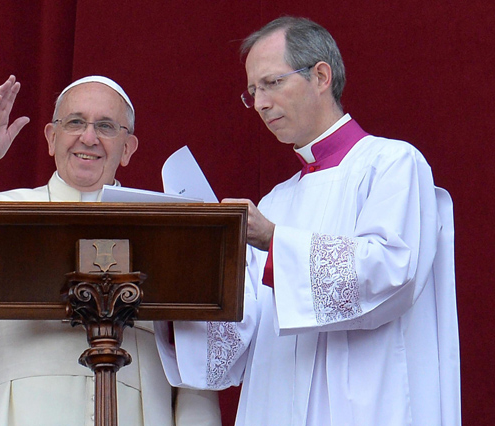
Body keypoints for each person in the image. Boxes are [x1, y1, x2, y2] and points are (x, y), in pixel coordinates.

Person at [154, 16, 460, 425]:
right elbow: (237, 342)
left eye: (272, 83)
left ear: (320, 76)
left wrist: (274, 242)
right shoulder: (276, 200)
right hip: (275, 401)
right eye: (252, 92)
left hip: (365, 402)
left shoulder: (391, 164)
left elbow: (390, 269)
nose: (260, 103)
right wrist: (185, 289)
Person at [0, 75, 221, 426]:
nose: (89, 137)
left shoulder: (170, 229)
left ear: (128, 148)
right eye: (75, 122)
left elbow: (196, 367)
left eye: (106, 126)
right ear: (52, 139)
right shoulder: (1, 214)